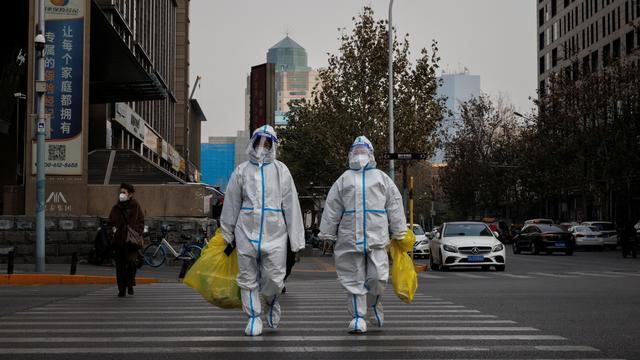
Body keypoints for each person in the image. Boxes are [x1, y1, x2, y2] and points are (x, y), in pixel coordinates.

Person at [220, 125, 305, 336]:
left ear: (273, 146)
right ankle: (254, 317)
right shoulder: (241, 171)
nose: (262, 147)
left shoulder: (281, 171)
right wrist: (227, 232)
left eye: (267, 143)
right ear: (253, 142)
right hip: (245, 231)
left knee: (275, 279)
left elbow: (292, 206)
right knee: (247, 278)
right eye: (259, 142)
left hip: (275, 232)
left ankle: (271, 300)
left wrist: (296, 241)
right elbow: (231, 203)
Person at [319, 136, 406, 334]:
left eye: (363, 151)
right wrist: (327, 233)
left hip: (377, 238)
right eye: (356, 151)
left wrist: (400, 231)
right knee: (353, 279)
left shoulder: (382, 178)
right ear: (350, 154)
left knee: (377, 278)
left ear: (371, 154)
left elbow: (394, 204)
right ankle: (358, 318)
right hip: (350, 239)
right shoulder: (344, 179)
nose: (359, 155)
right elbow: (332, 207)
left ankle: (374, 304)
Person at [108, 183, 145, 298]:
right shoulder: (116, 207)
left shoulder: (135, 206)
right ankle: (121, 289)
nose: (121, 194)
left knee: (131, 262)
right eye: (120, 192)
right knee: (119, 266)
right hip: (119, 241)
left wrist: (137, 232)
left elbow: (141, 221)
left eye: (124, 192)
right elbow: (110, 222)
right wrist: (112, 233)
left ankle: (130, 284)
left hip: (131, 241)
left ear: (130, 194)